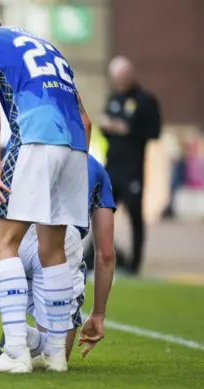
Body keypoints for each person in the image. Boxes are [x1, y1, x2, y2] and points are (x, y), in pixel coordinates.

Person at [0, 12, 92, 373]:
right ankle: (54, 355)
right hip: (75, 146)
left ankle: (16, 352)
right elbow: (86, 120)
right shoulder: (47, 46)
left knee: (2, 242)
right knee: (53, 250)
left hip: (35, 138)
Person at [0, 155, 116, 367]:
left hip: (11, 239)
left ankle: (17, 339)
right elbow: (105, 254)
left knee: (48, 356)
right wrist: (98, 314)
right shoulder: (93, 167)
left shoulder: (18, 154)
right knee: (56, 358)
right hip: (60, 241)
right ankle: (21, 341)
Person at [99, 56, 161, 274]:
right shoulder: (114, 97)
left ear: (131, 75)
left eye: (123, 77)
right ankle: (95, 255)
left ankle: (135, 264)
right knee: (102, 212)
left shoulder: (146, 100)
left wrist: (127, 129)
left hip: (133, 168)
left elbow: (154, 132)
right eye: (116, 78)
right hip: (112, 167)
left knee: (135, 214)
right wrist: (109, 127)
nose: (120, 81)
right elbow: (105, 128)